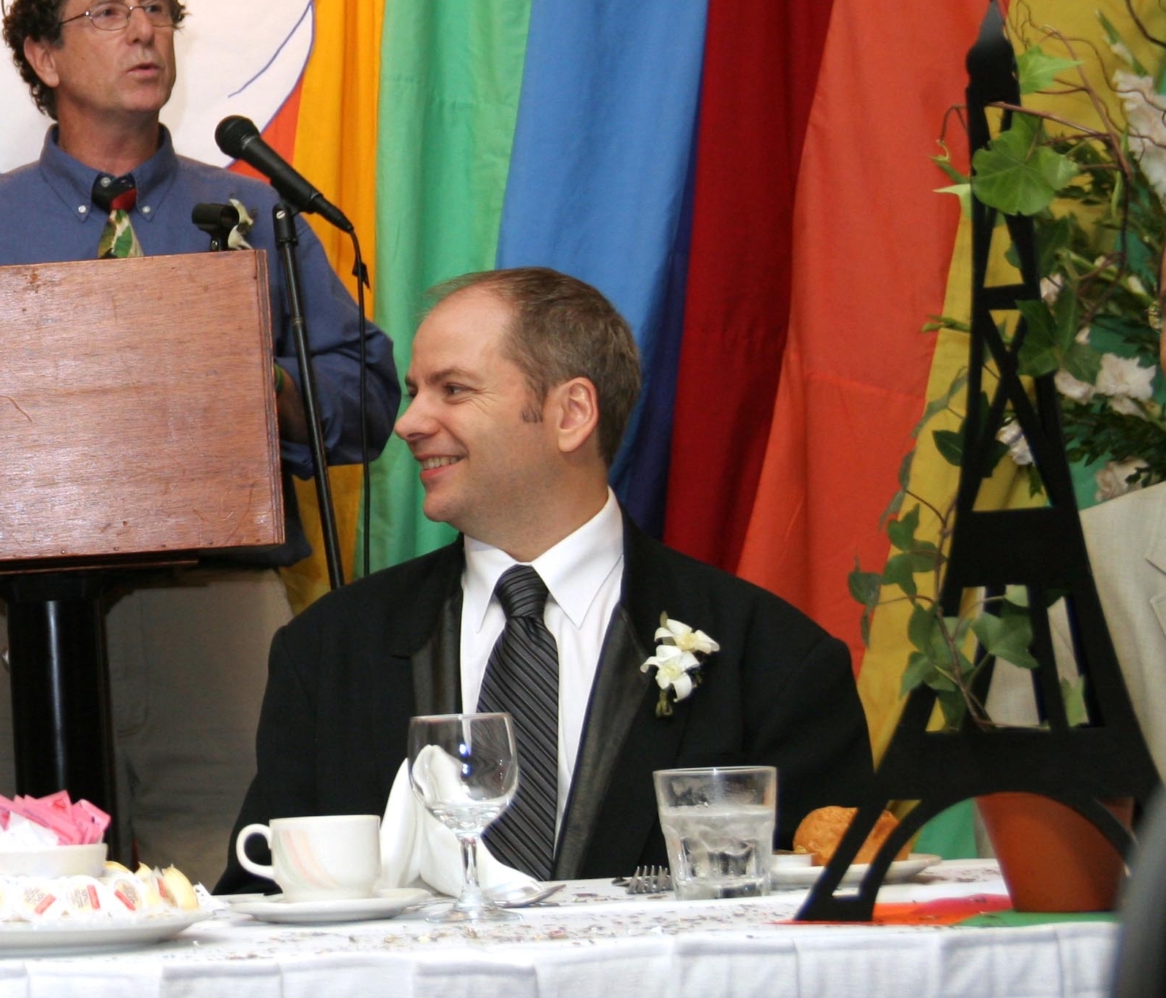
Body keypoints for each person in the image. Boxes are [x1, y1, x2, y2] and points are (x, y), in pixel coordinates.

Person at [0, 0, 399, 881]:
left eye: (157, 9)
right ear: (43, 57)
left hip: (212, 601)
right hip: (5, 613)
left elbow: (369, 395)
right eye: (109, 12)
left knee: (230, 890)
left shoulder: (259, 215)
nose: (144, 31)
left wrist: (256, 386)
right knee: (26, 895)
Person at [218, 268, 874, 889]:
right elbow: (259, 901)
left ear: (571, 413)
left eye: (452, 388)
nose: (409, 422)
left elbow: (825, 933)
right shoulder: (327, 652)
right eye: (415, 389)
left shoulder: (774, 662)